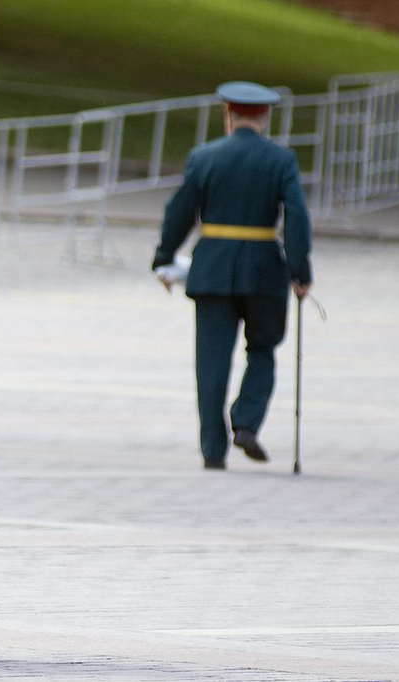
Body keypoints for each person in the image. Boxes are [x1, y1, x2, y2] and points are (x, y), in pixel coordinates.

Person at [151, 81, 312, 470]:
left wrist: (164, 257)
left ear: (228, 115)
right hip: (263, 269)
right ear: (265, 117)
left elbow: (181, 211)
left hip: (212, 267)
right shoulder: (281, 159)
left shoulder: (204, 156)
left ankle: (212, 449)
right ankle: (246, 422)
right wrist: (300, 271)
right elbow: (297, 217)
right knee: (262, 348)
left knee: (211, 361)